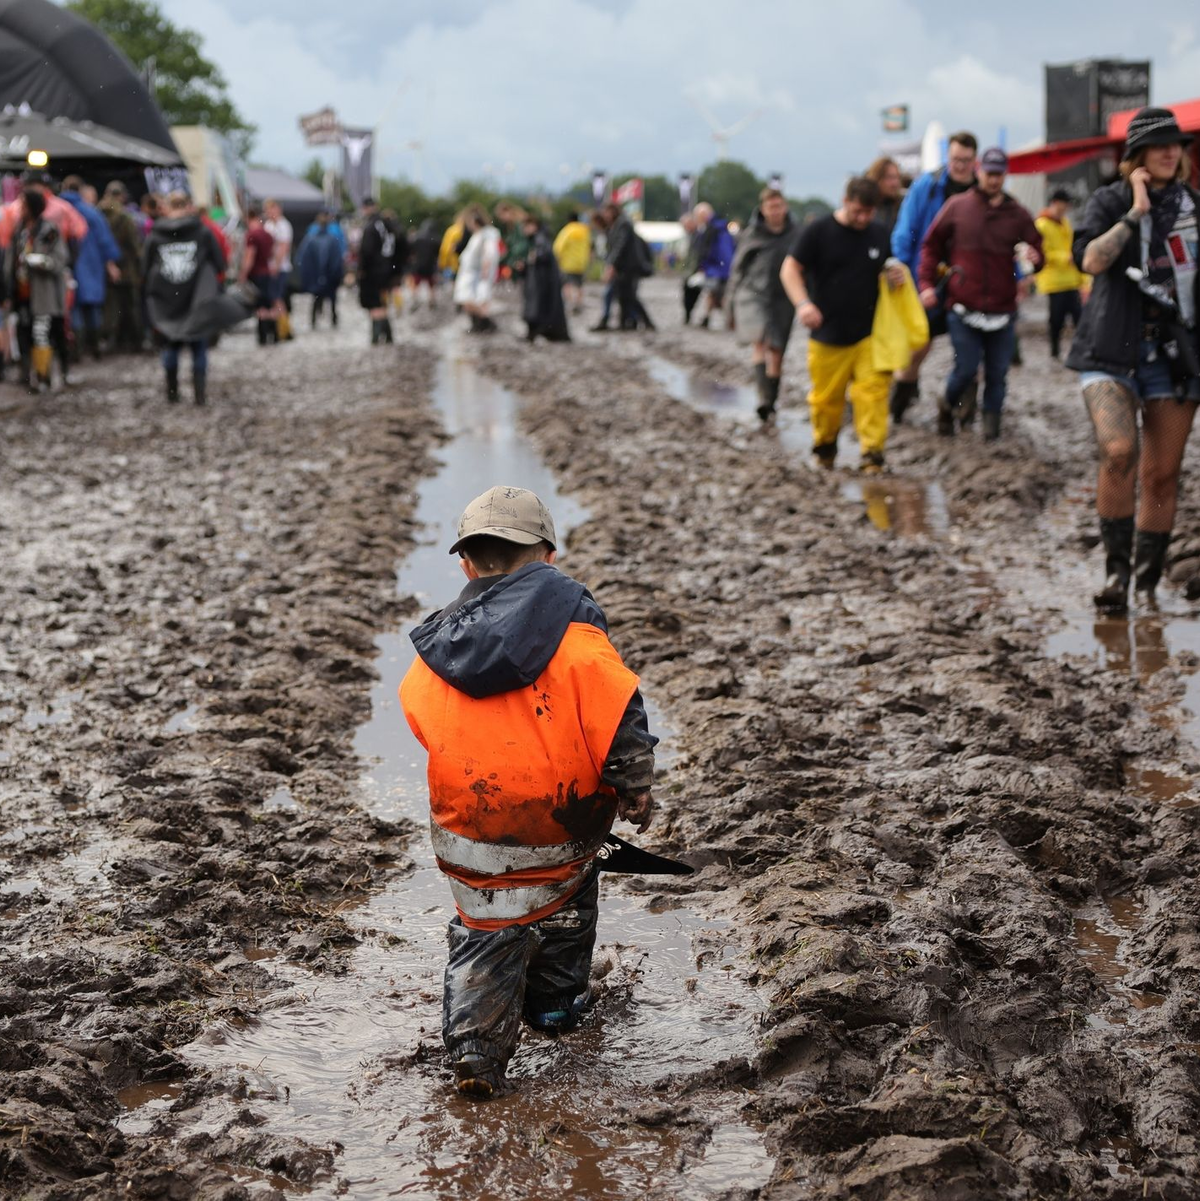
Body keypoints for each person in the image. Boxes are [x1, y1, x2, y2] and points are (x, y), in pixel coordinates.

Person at [399, 485, 656, 1099]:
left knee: (484, 927)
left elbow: (419, 717)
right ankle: (555, 1011)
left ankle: (476, 1053)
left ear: (466, 563)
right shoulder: (579, 641)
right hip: (562, 824)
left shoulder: (438, 649)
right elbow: (620, 715)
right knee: (566, 911)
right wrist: (633, 788)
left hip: (470, 825)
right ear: (547, 555)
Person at [1066, 107, 1200, 613]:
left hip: (1175, 355)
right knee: (1119, 451)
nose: (1172, 152)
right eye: (1160, 144)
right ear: (1136, 155)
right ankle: (1116, 577)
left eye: (1178, 144)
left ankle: (1145, 583)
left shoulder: (1195, 209)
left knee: (1162, 474)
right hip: (1111, 352)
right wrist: (1136, 213)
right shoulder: (1110, 200)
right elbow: (1091, 261)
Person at [780, 177, 906, 472]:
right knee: (826, 401)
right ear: (845, 200)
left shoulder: (878, 233)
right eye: (857, 211)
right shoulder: (819, 231)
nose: (863, 218)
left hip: (870, 333)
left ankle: (872, 456)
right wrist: (803, 303)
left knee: (873, 394)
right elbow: (790, 269)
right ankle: (825, 449)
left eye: (869, 213)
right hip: (827, 334)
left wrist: (895, 275)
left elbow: (887, 267)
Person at [919, 147, 1043, 441]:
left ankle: (991, 430)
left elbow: (1039, 252)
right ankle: (947, 406)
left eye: (999, 175)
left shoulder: (1017, 213)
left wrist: (1034, 258)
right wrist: (925, 285)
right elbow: (930, 245)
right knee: (965, 369)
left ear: (1005, 175)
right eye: (989, 174)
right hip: (963, 304)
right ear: (979, 172)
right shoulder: (958, 206)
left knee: (998, 373)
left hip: (1002, 308)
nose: (994, 180)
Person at [888, 131, 979, 423]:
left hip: (967, 284)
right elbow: (906, 228)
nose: (960, 166)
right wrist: (902, 269)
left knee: (968, 352)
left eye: (966, 160)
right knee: (918, 347)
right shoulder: (928, 186)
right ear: (947, 156)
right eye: (955, 159)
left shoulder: (980, 191)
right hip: (925, 279)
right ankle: (898, 405)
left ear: (974, 160)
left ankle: (964, 413)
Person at [142, 190, 226, 405]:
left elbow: (145, 269)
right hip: (196, 299)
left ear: (167, 207)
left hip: (166, 301)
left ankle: (172, 392)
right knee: (198, 345)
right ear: (189, 206)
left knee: (170, 345)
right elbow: (220, 263)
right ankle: (200, 395)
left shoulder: (155, 235)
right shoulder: (202, 232)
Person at [730, 186, 796, 421]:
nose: (775, 211)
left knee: (777, 349)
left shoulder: (796, 233)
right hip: (755, 294)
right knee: (760, 341)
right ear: (763, 209)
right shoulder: (752, 234)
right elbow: (737, 268)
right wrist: (730, 302)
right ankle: (763, 397)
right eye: (770, 207)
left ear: (785, 207)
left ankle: (771, 400)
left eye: (779, 206)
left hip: (784, 297)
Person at [3, 186, 69, 392]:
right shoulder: (18, 231)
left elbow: (60, 260)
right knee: (24, 336)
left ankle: (44, 377)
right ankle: (27, 377)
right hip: (21, 295)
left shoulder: (48, 230)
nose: (19, 207)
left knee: (43, 336)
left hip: (43, 296)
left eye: (23, 203)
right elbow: (9, 262)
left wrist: (40, 262)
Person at [60, 175, 121, 360]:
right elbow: (105, 240)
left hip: (67, 265)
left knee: (73, 308)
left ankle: (76, 350)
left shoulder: (59, 211)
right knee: (92, 308)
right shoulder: (91, 213)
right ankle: (94, 347)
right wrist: (110, 264)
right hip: (91, 265)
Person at [1035, 187, 1087, 360]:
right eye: (1063, 205)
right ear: (1055, 203)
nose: (1065, 208)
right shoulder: (1042, 225)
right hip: (1054, 281)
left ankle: (1081, 350)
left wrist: (1082, 278)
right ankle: (1055, 349)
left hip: (1071, 279)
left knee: (1078, 317)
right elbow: (1042, 253)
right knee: (1056, 318)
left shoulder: (1065, 222)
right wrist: (1064, 258)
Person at [99, 183, 143, 353]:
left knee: (110, 307)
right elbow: (134, 244)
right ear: (121, 196)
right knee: (131, 307)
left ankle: (110, 340)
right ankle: (134, 341)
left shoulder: (99, 213)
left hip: (105, 268)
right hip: (127, 268)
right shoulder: (125, 217)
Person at [599, 202, 655, 331]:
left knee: (630, 296)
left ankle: (645, 321)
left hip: (629, 267)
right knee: (624, 296)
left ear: (613, 211)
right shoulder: (617, 225)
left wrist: (611, 264)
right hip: (624, 267)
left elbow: (620, 246)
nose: (605, 216)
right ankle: (627, 322)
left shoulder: (623, 224)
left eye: (607, 212)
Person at [0, 170, 88, 250]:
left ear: (45, 186)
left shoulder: (61, 207)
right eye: (30, 184)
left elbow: (80, 229)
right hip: (23, 252)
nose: (34, 188)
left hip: (53, 253)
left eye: (37, 184)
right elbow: (5, 236)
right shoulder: (15, 207)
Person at [453, 205, 502, 333]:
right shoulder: (478, 234)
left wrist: (486, 267)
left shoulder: (485, 234)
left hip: (475, 272)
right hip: (470, 271)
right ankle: (479, 324)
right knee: (468, 299)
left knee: (469, 299)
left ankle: (486, 322)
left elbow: (489, 253)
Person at [521, 214, 570, 342]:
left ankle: (538, 332)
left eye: (527, 226)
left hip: (542, 282)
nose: (525, 230)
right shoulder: (539, 238)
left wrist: (534, 258)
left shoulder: (540, 238)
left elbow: (543, 254)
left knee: (539, 307)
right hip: (543, 281)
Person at [357, 197, 398, 344]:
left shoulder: (371, 226)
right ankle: (388, 336)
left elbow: (367, 251)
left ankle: (376, 337)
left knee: (374, 303)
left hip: (373, 270)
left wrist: (361, 269)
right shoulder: (387, 224)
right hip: (387, 268)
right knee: (381, 302)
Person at [691, 203, 735, 329]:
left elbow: (706, 250)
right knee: (720, 294)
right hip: (727, 268)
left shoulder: (710, 229)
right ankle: (727, 320)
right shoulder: (723, 228)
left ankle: (719, 319)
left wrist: (703, 266)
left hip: (715, 268)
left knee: (713, 294)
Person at [297, 213, 344, 328]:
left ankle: (314, 321)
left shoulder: (310, 238)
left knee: (316, 298)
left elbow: (302, 258)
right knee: (332, 300)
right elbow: (338, 257)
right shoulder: (333, 238)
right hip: (329, 276)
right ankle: (333, 320)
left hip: (316, 276)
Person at [239, 207, 276, 345]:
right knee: (268, 304)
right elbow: (271, 254)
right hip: (267, 272)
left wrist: (243, 273)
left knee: (260, 307)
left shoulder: (252, 234)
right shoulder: (267, 234)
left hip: (256, 274)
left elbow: (250, 256)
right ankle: (274, 333)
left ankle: (262, 336)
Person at [264, 198, 294, 341]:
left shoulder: (284, 226)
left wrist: (276, 265)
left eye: (271, 209)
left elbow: (283, 247)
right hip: (270, 267)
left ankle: (284, 328)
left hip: (280, 268)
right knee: (274, 299)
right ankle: (278, 328)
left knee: (277, 298)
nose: (269, 212)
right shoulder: (268, 225)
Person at [553, 211, 591, 315]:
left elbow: (558, 247)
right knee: (579, 284)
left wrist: (556, 259)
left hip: (568, 263)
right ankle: (578, 303)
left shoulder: (567, 230)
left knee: (567, 284)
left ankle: (569, 303)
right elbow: (589, 246)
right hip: (581, 263)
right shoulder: (584, 230)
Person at [865, 157, 904, 234]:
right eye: (889, 178)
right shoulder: (866, 206)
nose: (895, 183)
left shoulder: (904, 205)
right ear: (877, 178)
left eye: (897, 177)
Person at [407, 217, 440, 307]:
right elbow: (437, 254)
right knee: (431, 285)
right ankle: (432, 300)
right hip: (430, 265)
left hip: (418, 264)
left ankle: (414, 299)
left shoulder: (417, 237)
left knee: (415, 283)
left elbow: (411, 251)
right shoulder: (436, 239)